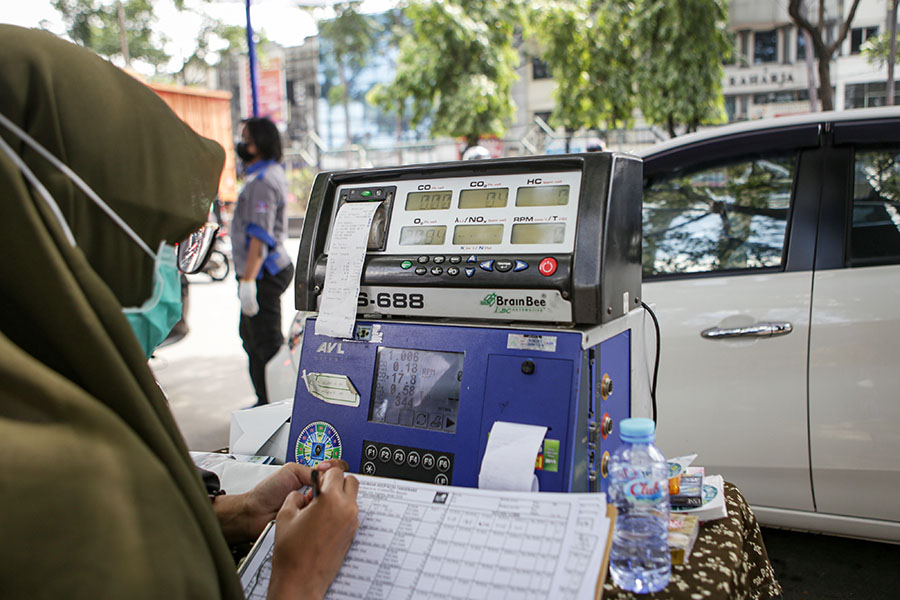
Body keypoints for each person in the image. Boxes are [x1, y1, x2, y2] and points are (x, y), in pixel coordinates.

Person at [0, 25, 358, 599]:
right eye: (168, 241)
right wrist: (299, 576)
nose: (177, 270)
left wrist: (238, 512)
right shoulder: (64, 486)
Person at [232, 117, 294, 406]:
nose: (242, 144)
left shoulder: (263, 181)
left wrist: (248, 281)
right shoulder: (265, 174)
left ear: (259, 144)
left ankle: (276, 407)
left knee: (266, 343)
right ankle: (264, 401)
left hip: (263, 273)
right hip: (261, 270)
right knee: (251, 337)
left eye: (246, 139)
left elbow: (259, 236)